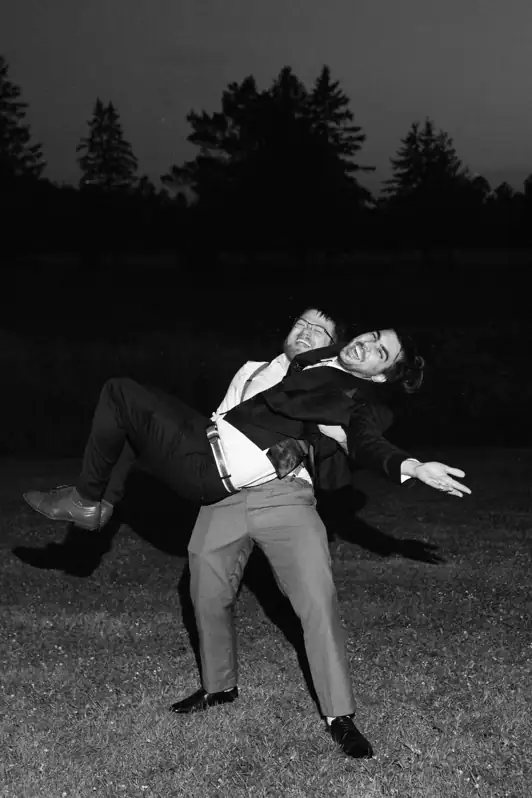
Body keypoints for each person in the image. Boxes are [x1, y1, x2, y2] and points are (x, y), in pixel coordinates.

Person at [23, 316, 470, 759]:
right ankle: (219, 688)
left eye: (379, 351)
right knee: (206, 590)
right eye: (370, 335)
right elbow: (227, 416)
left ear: (380, 374)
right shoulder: (269, 368)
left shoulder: (354, 399)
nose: (365, 344)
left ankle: (340, 716)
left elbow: (364, 439)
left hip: (286, 497)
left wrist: (410, 465)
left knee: (316, 599)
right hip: (223, 490)